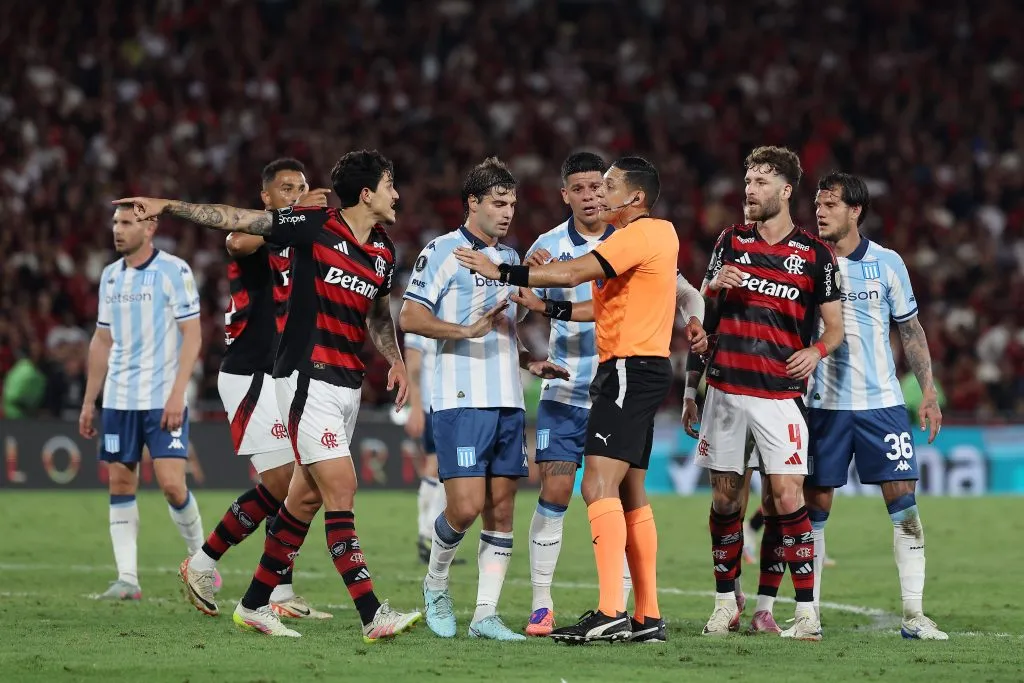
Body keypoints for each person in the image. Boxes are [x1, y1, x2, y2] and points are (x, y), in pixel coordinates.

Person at [114, 149, 421, 642]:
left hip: (348, 383)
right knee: (341, 488)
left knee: (302, 498)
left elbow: (379, 314)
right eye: (390, 185)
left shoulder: (383, 251)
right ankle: (372, 614)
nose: (397, 195)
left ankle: (254, 603)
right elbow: (237, 222)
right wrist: (166, 206)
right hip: (305, 377)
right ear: (366, 194)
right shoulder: (313, 226)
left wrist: (397, 360)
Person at [456, 156, 705, 644]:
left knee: (595, 486)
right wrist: (544, 305)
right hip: (632, 372)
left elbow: (572, 274)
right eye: (589, 187)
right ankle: (647, 615)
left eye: (608, 186)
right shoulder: (651, 236)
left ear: (634, 197)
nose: (599, 194)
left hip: (627, 371)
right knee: (631, 494)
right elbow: (601, 306)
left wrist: (503, 271)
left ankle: (611, 611)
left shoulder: (636, 235)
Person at [400, 157, 568, 642]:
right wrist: (463, 331)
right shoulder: (442, 251)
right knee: (466, 506)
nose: (507, 212)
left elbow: (506, 325)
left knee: (501, 509)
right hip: (460, 397)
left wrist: (528, 361)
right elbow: (410, 317)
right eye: (498, 202)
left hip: (508, 399)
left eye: (512, 203)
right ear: (472, 202)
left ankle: (484, 615)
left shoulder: (510, 259)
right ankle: (435, 584)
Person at [693, 146, 844, 641]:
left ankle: (806, 613)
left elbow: (835, 328)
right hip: (726, 390)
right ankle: (725, 604)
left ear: (785, 190)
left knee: (785, 497)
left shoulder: (816, 255)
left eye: (760, 182)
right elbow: (704, 318)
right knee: (725, 500)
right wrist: (714, 287)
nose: (749, 190)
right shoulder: (730, 240)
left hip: (780, 395)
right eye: (747, 181)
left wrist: (816, 351)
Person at [178, 158, 330, 621]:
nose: (295, 194)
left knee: (301, 485)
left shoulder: (297, 243)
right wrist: (295, 212)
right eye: (286, 188)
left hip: (284, 375)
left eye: (301, 187)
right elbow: (236, 241)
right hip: (251, 373)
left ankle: (280, 590)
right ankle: (201, 563)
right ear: (266, 197)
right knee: (283, 483)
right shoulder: (257, 232)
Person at [806, 171, 946, 640]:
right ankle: (808, 616)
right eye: (818, 204)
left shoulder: (887, 263)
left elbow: (911, 330)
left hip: (882, 405)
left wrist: (928, 392)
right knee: (814, 509)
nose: (820, 212)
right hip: (824, 404)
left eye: (830, 204)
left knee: (905, 506)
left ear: (855, 211)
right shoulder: (808, 261)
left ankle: (914, 615)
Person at [79, 204, 206, 601]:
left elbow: (193, 336)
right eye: (115, 222)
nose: (117, 229)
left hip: (162, 397)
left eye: (127, 223)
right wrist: (89, 401)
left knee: (172, 485)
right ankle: (128, 579)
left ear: (149, 227)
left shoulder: (174, 271)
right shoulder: (110, 276)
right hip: (118, 399)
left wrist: (178, 393)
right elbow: (102, 340)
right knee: (120, 482)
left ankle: (202, 565)